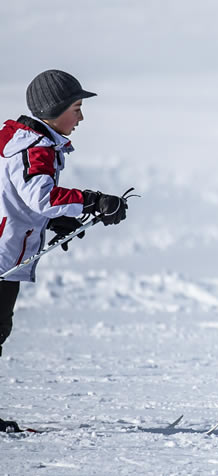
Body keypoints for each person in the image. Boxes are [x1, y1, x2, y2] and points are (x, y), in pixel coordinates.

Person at [0, 70, 130, 433]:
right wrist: (92, 201)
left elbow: (13, 195)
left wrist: (55, 220)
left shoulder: (16, 138)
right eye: (76, 108)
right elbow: (39, 196)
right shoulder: (35, 147)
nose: (81, 117)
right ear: (54, 110)